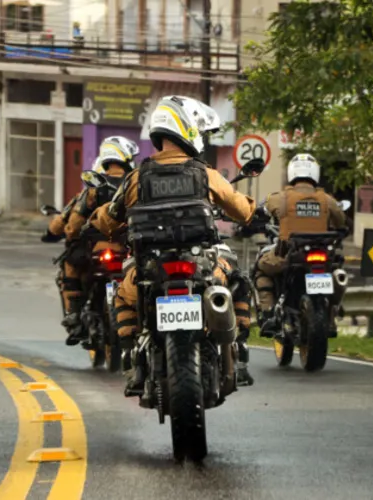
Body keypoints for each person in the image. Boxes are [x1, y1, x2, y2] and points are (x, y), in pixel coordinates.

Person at [88, 95, 257, 392]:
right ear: (189, 129)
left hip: (149, 269)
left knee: (121, 296)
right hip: (202, 266)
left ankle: (132, 360)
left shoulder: (136, 179)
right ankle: (239, 353)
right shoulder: (205, 173)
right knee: (239, 279)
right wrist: (255, 211)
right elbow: (241, 209)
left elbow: (109, 219)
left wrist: (94, 221)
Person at [46, 137, 139, 345]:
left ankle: (75, 315)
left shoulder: (94, 188)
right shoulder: (135, 182)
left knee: (70, 265)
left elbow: (74, 224)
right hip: (129, 248)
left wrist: (72, 236)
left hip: (97, 251)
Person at [253, 154, 347, 337]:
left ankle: (269, 313)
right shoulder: (327, 200)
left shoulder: (279, 198)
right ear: (315, 174)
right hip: (321, 257)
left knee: (261, 269)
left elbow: (259, 211)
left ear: (291, 173)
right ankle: (332, 315)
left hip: (288, 257)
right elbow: (341, 222)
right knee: (337, 271)